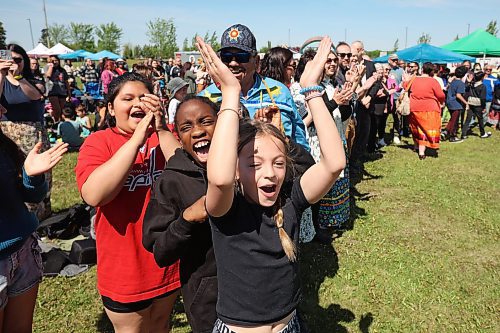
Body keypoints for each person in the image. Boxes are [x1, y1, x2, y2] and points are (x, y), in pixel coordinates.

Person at [198, 35, 345, 333]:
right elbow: (220, 177)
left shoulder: (290, 199)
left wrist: (312, 90)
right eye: (254, 164)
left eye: (279, 164)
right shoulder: (225, 208)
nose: (269, 174)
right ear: (236, 170)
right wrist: (230, 93)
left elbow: (334, 163)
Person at [75, 72, 181, 333]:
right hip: (125, 268)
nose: (136, 104)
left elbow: (185, 176)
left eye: (143, 98)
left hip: (166, 263)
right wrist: (136, 141)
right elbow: (94, 195)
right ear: (111, 107)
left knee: (160, 325)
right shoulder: (99, 142)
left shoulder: (164, 138)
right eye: (127, 98)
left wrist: (160, 128)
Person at [143, 95, 219, 333]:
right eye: (186, 127)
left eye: (206, 121)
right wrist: (186, 220)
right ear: (179, 137)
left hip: (254, 288)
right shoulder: (172, 180)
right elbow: (160, 252)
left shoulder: (244, 163)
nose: (197, 131)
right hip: (208, 299)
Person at [200, 24, 309, 151]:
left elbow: (301, 144)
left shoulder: (280, 92)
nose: (233, 63)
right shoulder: (205, 98)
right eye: (227, 57)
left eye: (242, 57)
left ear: (256, 61)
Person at [0, 130, 67, 333]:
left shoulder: (4, 145)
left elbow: (32, 196)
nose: (3, 111)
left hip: (23, 252)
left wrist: (32, 176)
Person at [0, 43, 53, 220]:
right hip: (9, 135)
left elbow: (36, 95)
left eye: (18, 59)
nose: (14, 63)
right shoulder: (1, 81)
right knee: (16, 174)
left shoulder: (34, 80)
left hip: (34, 134)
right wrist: (1, 74)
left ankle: (44, 216)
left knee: (40, 173)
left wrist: (19, 77)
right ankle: (22, 215)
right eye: (10, 59)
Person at [404, 62, 446, 159]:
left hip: (414, 107)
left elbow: (405, 86)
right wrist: (442, 101)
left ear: (422, 69)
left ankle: (416, 146)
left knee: (416, 128)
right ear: (432, 71)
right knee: (425, 129)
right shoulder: (433, 81)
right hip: (429, 108)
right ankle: (422, 152)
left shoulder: (414, 79)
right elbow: (441, 95)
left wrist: (406, 79)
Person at [462, 71, 490, 139]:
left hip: (471, 102)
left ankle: (464, 134)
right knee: (480, 119)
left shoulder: (472, 84)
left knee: (468, 119)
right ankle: (482, 133)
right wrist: (483, 107)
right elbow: (483, 98)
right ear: (482, 78)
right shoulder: (482, 86)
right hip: (478, 104)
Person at [443, 66, 468, 143]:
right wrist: (466, 103)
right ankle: (451, 135)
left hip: (449, 102)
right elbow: (458, 95)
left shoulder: (452, 81)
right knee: (454, 121)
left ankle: (447, 132)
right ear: (464, 75)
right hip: (456, 104)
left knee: (453, 119)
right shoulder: (460, 83)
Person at [44, 55, 71, 122]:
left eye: (56, 60)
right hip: (52, 91)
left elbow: (66, 82)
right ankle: (56, 121)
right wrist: (51, 66)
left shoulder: (62, 70)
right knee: (57, 109)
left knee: (61, 110)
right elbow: (48, 75)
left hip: (62, 92)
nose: (55, 62)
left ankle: (60, 122)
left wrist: (69, 93)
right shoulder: (47, 67)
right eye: (52, 61)